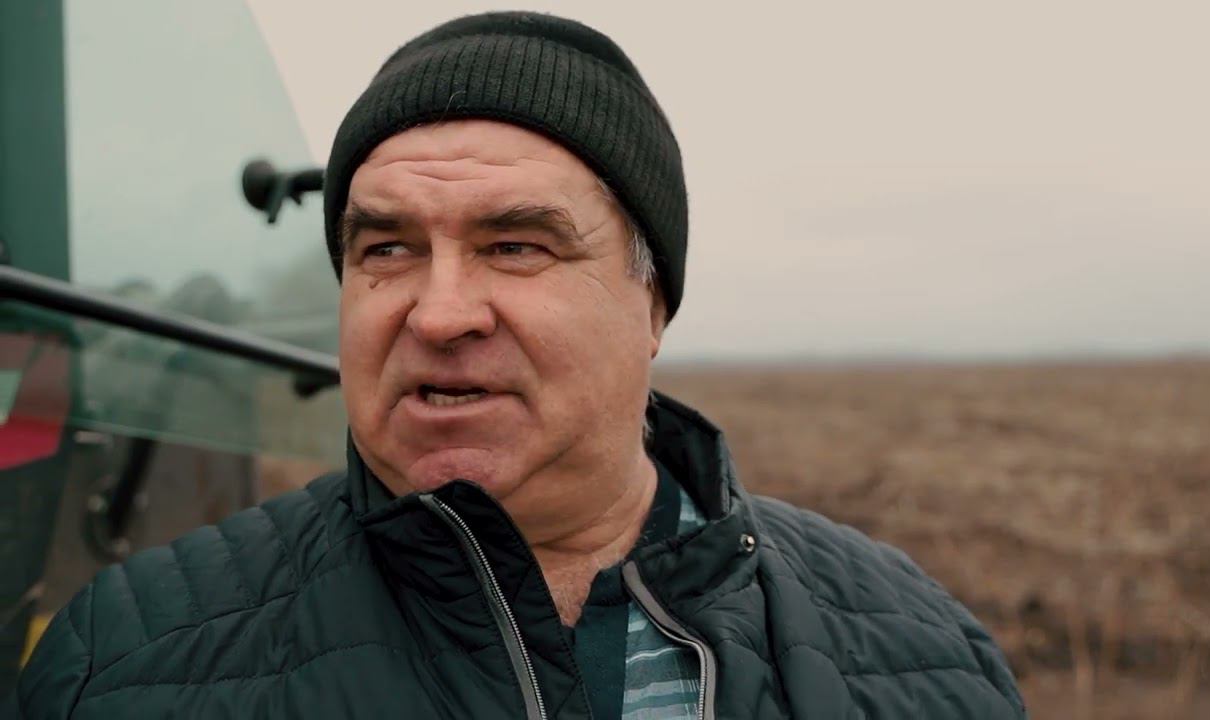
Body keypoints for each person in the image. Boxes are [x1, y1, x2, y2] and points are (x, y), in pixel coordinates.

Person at [11, 11, 1025, 719]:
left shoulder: (923, 657)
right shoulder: (122, 664)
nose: (440, 312)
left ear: (652, 302)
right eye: (386, 248)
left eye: (515, 245)